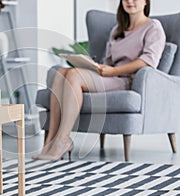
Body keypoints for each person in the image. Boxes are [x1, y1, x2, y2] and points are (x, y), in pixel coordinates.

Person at [34, 0, 166, 161]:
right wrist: (95, 66)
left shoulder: (153, 27)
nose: (129, 2)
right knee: (61, 72)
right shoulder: (117, 30)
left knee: (74, 76)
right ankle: (49, 143)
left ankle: (63, 140)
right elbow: (109, 61)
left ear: (145, 2)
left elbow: (148, 61)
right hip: (109, 75)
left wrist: (114, 71)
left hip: (126, 80)